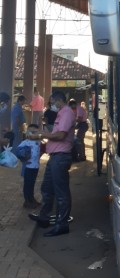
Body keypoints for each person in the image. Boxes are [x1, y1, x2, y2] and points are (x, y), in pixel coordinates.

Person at [28, 91, 76, 237]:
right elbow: (56, 132)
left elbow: (61, 135)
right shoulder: (62, 113)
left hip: (61, 157)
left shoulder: (67, 113)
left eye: (51, 101)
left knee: (61, 193)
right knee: (47, 188)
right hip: (55, 157)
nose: (51, 104)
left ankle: (62, 224)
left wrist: (40, 135)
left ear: (57, 100)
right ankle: (44, 217)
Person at [17, 123, 42, 209]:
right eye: (30, 132)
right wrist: (25, 155)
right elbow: (19, 152)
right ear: (27, 132)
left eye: (34, 132)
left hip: (35, 166)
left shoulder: (38, 142)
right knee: (27, 185)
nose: (32, 134)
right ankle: (27, 201)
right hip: (28, 167)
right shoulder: (25, 142)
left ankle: (31, 199)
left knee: (32, 184)